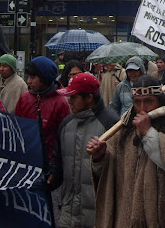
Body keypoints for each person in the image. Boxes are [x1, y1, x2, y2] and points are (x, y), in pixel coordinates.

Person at [87, 75, 165, 227]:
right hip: (126, 218)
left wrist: (149, 134)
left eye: (148, 101)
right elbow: (112, 170)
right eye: (137, 102)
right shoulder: (124, 129)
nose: (142, 109)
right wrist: (101, 157)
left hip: (164, 218)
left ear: (159, 101)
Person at [48, 73, 119, 228]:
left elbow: (119, 171)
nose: (69, 101)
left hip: (98, 216)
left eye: (74, 97)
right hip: (68, 212)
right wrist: (51, 177)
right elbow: (58, 160)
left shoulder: (111, 125)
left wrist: (101, 159)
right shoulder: (66, 125)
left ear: (89, 98)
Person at [15, 56, 72, 160]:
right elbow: (17, 128)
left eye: (32, 77)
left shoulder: (60, 102)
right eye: (28, 77)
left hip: (49, 161)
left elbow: (64, 138)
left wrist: (55, 167)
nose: (28, 81)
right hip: (26, 157)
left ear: (44, 78)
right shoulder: (25, 98)